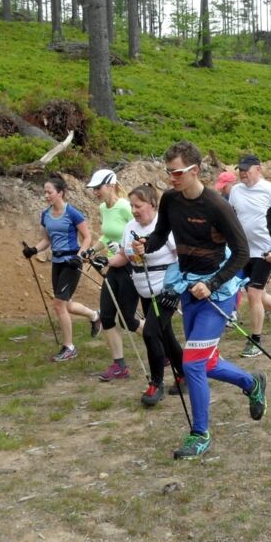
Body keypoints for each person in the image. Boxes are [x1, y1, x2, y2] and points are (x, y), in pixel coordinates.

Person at [133, 141, 267, 460]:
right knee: (204, 361)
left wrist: (213, 282)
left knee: (191, 362)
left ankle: (200, 434)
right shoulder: (170, 200)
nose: (171, 178)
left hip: (217, 292)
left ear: (194, 171)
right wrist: (145, 245)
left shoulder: (217, 205)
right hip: (186, 287)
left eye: (176, 172)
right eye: (168, 172)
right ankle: (251, 383)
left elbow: (243, 252)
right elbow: (161, 234)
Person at [103, 183, 183, 406]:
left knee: (150, 333)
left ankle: (155, 384)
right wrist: (106, 261)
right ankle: (185, 375)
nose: (135, 210)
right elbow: (123, 255)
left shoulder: (163, 225)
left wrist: (174, 288)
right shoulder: (130, 227)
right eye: (132, 206)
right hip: (144, 289)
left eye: (138, 205)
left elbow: (182, 258)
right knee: (166, 335)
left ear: (153, 204)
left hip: (165, 290)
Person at [23, 176, 101, 362]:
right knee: (65, 304)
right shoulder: (45, 215)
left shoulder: (72, 213)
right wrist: (33, 249)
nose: (46, 195)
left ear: (60, 193)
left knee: (58, 305)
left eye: (49, 192)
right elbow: (47, 240)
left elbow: (87, 238)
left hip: (72, 263)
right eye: (45, 192)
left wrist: (79, 257)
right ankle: (94, 315)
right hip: (57, 263)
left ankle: (69, 347)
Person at [228, 154, 271, 358]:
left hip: (265, 252)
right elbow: (232, 218)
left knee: (254, 294)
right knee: (259, 295)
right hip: (243, 251)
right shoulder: (236, 191)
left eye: (247, 169)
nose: (243, 173)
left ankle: (255, 341)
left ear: (259, 169)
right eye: (240, 169)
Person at [85, 169, 141, 381]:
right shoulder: (103, 208)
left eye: (98, 188)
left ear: (110, 185)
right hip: (112, 266)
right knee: (107, 315)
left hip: (129, 266)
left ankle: (160, 344)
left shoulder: (126, 207)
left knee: (128, 320)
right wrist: (93, 250)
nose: (95, 192)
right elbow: (107, 234)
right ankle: (119, 366)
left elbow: (139, 230)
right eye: (94, 189)